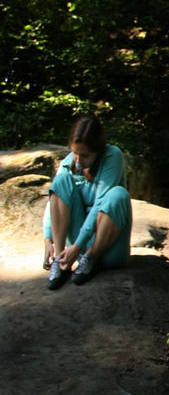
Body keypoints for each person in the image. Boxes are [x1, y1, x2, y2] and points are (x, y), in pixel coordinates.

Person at [42, 114, 132, 290]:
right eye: (75, 153)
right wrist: (48, 239)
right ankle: (60, 262)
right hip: (76, 247)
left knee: (118, 194)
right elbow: (53, 199)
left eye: (84, 155)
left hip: (107, 246)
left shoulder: (113, 156)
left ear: (97, 151)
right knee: (60, 181)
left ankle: (91, 258)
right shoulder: (69, 162)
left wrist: (78, 245)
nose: (78, 159)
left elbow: (100, 203)